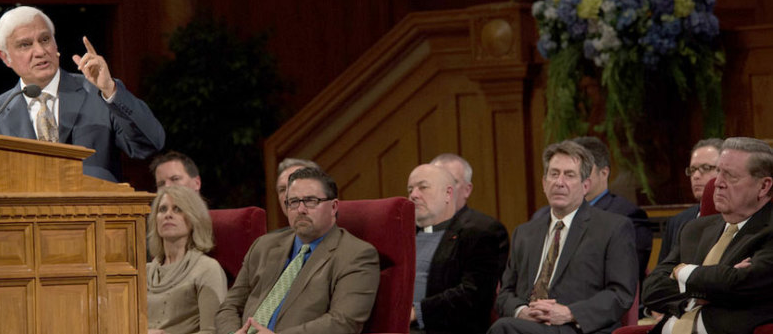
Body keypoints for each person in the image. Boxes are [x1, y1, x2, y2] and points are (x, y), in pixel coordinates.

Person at [0, 6, 165, 182]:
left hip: (97, 216)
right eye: (25, 45)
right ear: (5, 58)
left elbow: (149, 144)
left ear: (55, 45)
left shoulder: (98, 92)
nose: (40, 51)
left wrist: (110, 90)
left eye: (45, 40)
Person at [491, 140, 637, 334]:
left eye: (569, 175)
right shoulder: (524, 233)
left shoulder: (613, 228)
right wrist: (521, 311)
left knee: (502, 328)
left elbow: (621, 295)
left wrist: (569, 313)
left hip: (577, 328)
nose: (559, 182)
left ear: (585, 186)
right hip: (526, 325)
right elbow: (505, 294)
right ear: (544, 183)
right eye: (554, 174)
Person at [215, 167, 380, 334]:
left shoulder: (356, 255)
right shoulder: (264, 246)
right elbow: (230, 306)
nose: (300, 210)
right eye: (293, 202)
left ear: (334, 207)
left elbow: (343, 323)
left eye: (310, 201)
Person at [642, 137, 773, 334]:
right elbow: (652, 290)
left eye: (730, 176)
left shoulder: (768, 231)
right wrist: (704, 291)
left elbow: (741, 284)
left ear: (764, 186)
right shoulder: (694, 229)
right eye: (719, 172)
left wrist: (682, 272)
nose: (718, 183)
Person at [404, 155, 507, 334]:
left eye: (423, 187)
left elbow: (474, 295)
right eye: (410, 189)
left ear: (448, 193)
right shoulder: (403, 233)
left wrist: (415, 312)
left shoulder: (481, 231)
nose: (413, 195)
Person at [535, 137, 652, 286]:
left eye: (581, 171)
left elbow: (624, 279)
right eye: (556, 173)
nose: (563, 181)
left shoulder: (626, 217)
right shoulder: (541, 217)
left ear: (604, 173)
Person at [147, 185, 228, 334]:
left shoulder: (207, 269)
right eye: (162, 209)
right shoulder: (142, 273)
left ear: (193, 219)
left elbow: (212, 332)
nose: (168, 215)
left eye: (177, 209)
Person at [657, 138, 723, 263]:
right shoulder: (677, 222)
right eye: (692, 170)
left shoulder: (736, 219)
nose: (696, 176)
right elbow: (659, 274)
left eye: (706, 168)